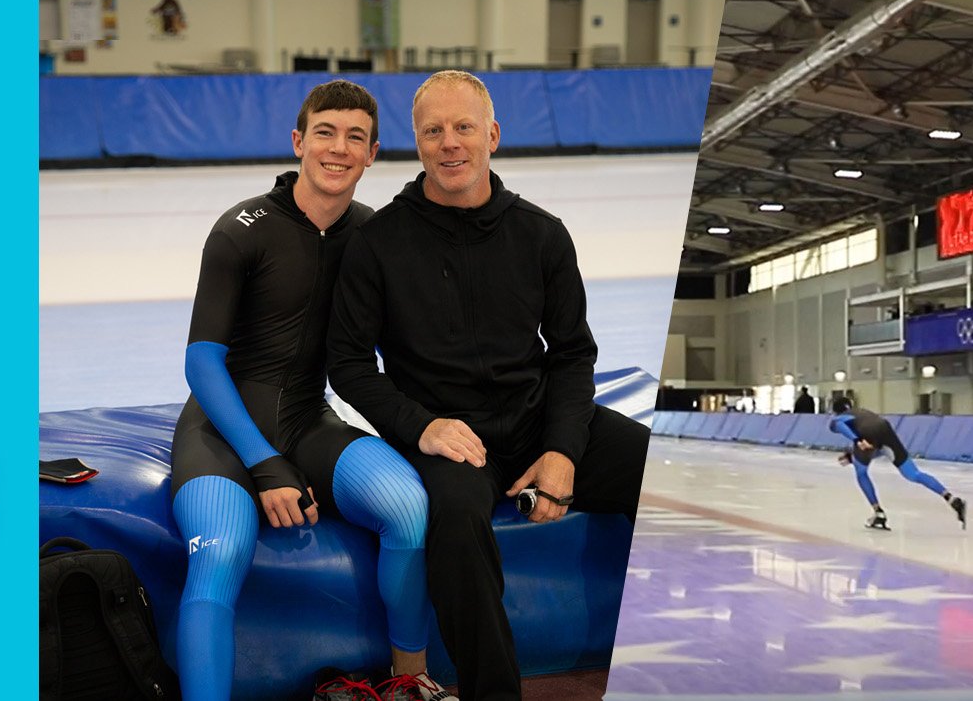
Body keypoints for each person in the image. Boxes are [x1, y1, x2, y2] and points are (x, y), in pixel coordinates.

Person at [327, 70, 649, 701]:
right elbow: (348, 363)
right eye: (433, 131)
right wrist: (422, 427)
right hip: (452, 439)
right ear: (416, 145)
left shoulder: (542, 233)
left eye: (464, 127)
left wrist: (562, 448)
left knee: (662, 473)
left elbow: (573, 354)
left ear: (492, 135)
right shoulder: (378, 242)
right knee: (453, 530)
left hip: (535, 420)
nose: (450, 144)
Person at [167, 80, 453, 701]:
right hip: (219, 429)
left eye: (356, 137)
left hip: (307, 419)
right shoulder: (242, 229)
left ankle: (409, 682)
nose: (338, 148)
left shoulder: (372, 235)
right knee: (218, 554)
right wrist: (265, 464)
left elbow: (404, 351)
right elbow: (201, 364)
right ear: (299, 141)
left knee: (408, 506)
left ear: (372, 154)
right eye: (325, 132)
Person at [828, 397, 967, 531]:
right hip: (884, 428)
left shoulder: (838, 418)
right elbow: (879, 448)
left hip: (866, 434)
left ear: (836, 411)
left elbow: (840, 425)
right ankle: (951, 498)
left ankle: (878, 512)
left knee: (861, 473)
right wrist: (854, 455)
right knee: (913, 474)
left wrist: (858, 440)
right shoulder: (864, 412)